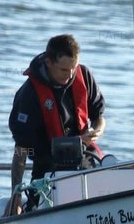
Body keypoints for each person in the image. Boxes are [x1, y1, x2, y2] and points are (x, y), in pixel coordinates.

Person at [7, 34, 106, 212]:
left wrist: (96, 130)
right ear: (49, 62)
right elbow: (21, 149)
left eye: (73, 69)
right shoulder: (28, 95)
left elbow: (99, 117)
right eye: (64, 70)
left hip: (85, 159)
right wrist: (16, 195)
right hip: (47, 169)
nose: (70, 75)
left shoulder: (84, 76)